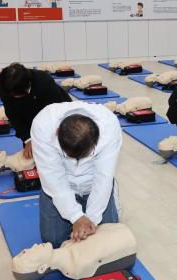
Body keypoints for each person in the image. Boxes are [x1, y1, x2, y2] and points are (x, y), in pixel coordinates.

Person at [31, 102, 122, 248]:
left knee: (108, 240)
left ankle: (112, 203)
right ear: (57, 132)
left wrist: (90, 219)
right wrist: (76, 216)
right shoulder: (43, 125)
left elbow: (103, 177)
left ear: (96, 139)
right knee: (54, 242)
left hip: (92, 182)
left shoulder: (109, 125)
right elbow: (53, 178)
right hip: (61, 184)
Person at [0, 63, 71, 160]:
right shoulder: (4, 84)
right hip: (29, 114)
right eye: (14, 95)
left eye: (19, 95)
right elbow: (12, 115)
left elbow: (52, 114)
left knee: (62, 151)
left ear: (28, 85)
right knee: (32, 155)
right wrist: (28, 139)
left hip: (58, 112)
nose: (16, 98)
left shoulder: (43, 80)